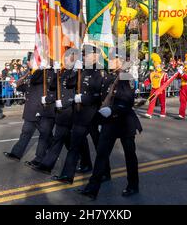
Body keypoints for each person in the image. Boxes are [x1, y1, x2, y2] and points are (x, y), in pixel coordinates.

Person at [78, 56, 142, 200]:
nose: (110, 61)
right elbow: (104, 98)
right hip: (109, 123)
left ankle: (133, 185)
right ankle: (92, 188)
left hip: (124, 122)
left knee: (130, 156)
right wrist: (101, 118)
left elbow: (127, 102)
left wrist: (112, 110)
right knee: (101, 155)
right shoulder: (109, 77)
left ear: (120, 61)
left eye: (113, 59)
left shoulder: (127, 78)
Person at [53, 45, 107, 185]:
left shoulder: (99, 72)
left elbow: (99, 96)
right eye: (83, 55)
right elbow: (71, 84)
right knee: (74, 145)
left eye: (87, 54)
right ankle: (67, 175)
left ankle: (105, 172)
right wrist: (74, 70)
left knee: (99, 146)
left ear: (95, 55)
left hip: (93, 115)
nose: (84, 57)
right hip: (80, 115)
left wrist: (83, 99)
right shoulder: (82, 70)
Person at [4, 53, 56, 167]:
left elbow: (44, 85)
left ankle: (41, 158)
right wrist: (16, 85)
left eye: (30, 60)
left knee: (45, 136)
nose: (27, 63)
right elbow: (27, 87)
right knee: (26, 133)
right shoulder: (32, 73)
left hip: (42, 109)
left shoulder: (44, 73)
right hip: (31, 109)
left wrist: (38, 70)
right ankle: (16, 153)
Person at [32, 50, 79, 174]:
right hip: (61, 113)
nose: (65, 60)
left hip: (70, 112)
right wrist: (55, 72)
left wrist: (65, 102)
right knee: (65, 139)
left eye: (67, 58)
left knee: (63, 140)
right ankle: (83, 161)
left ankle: (48, 166)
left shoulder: (77, 73)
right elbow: (54, 87)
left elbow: (73, 88)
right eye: (65, 58)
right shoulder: (63, 72)